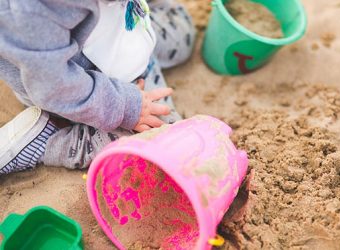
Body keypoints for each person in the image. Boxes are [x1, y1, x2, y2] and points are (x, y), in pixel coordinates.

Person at [0, 0, 195, 174]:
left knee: (181, 35)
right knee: (163, 141)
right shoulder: (30, 12)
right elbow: (56, 89)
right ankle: (49, 142)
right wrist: (126, 107)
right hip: (87, 91)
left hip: (122, 34)